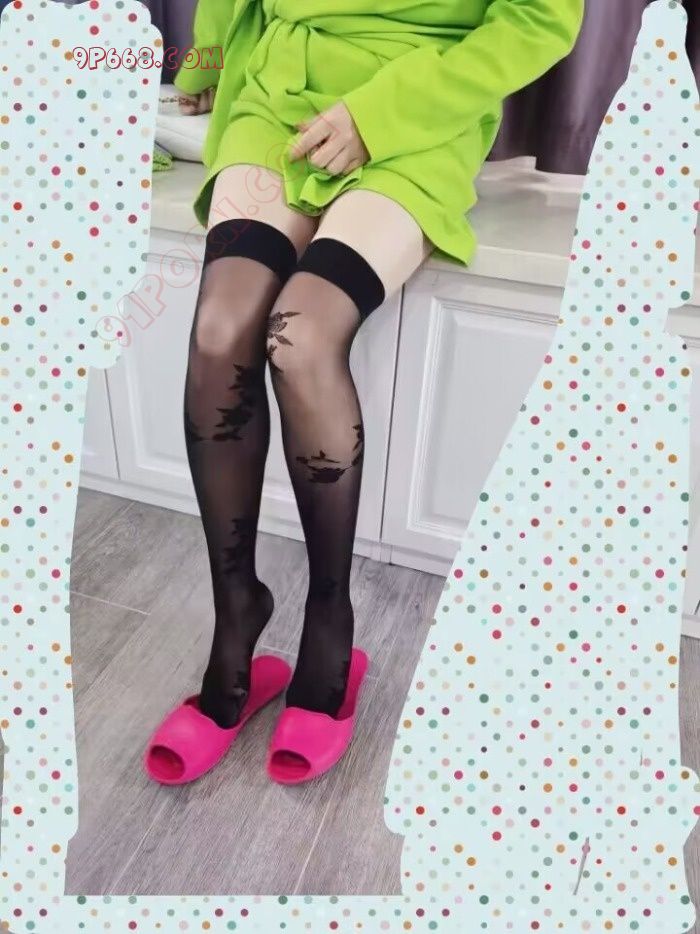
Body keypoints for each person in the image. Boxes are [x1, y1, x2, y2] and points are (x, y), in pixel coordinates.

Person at [144, 0, 584, 787]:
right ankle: (237, 611)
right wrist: (205, 58)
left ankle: (330, 620)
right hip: (278, 99)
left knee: (302, 334)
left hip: (416, 109)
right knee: (218, 332)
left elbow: (539, 20)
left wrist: (379, 115)